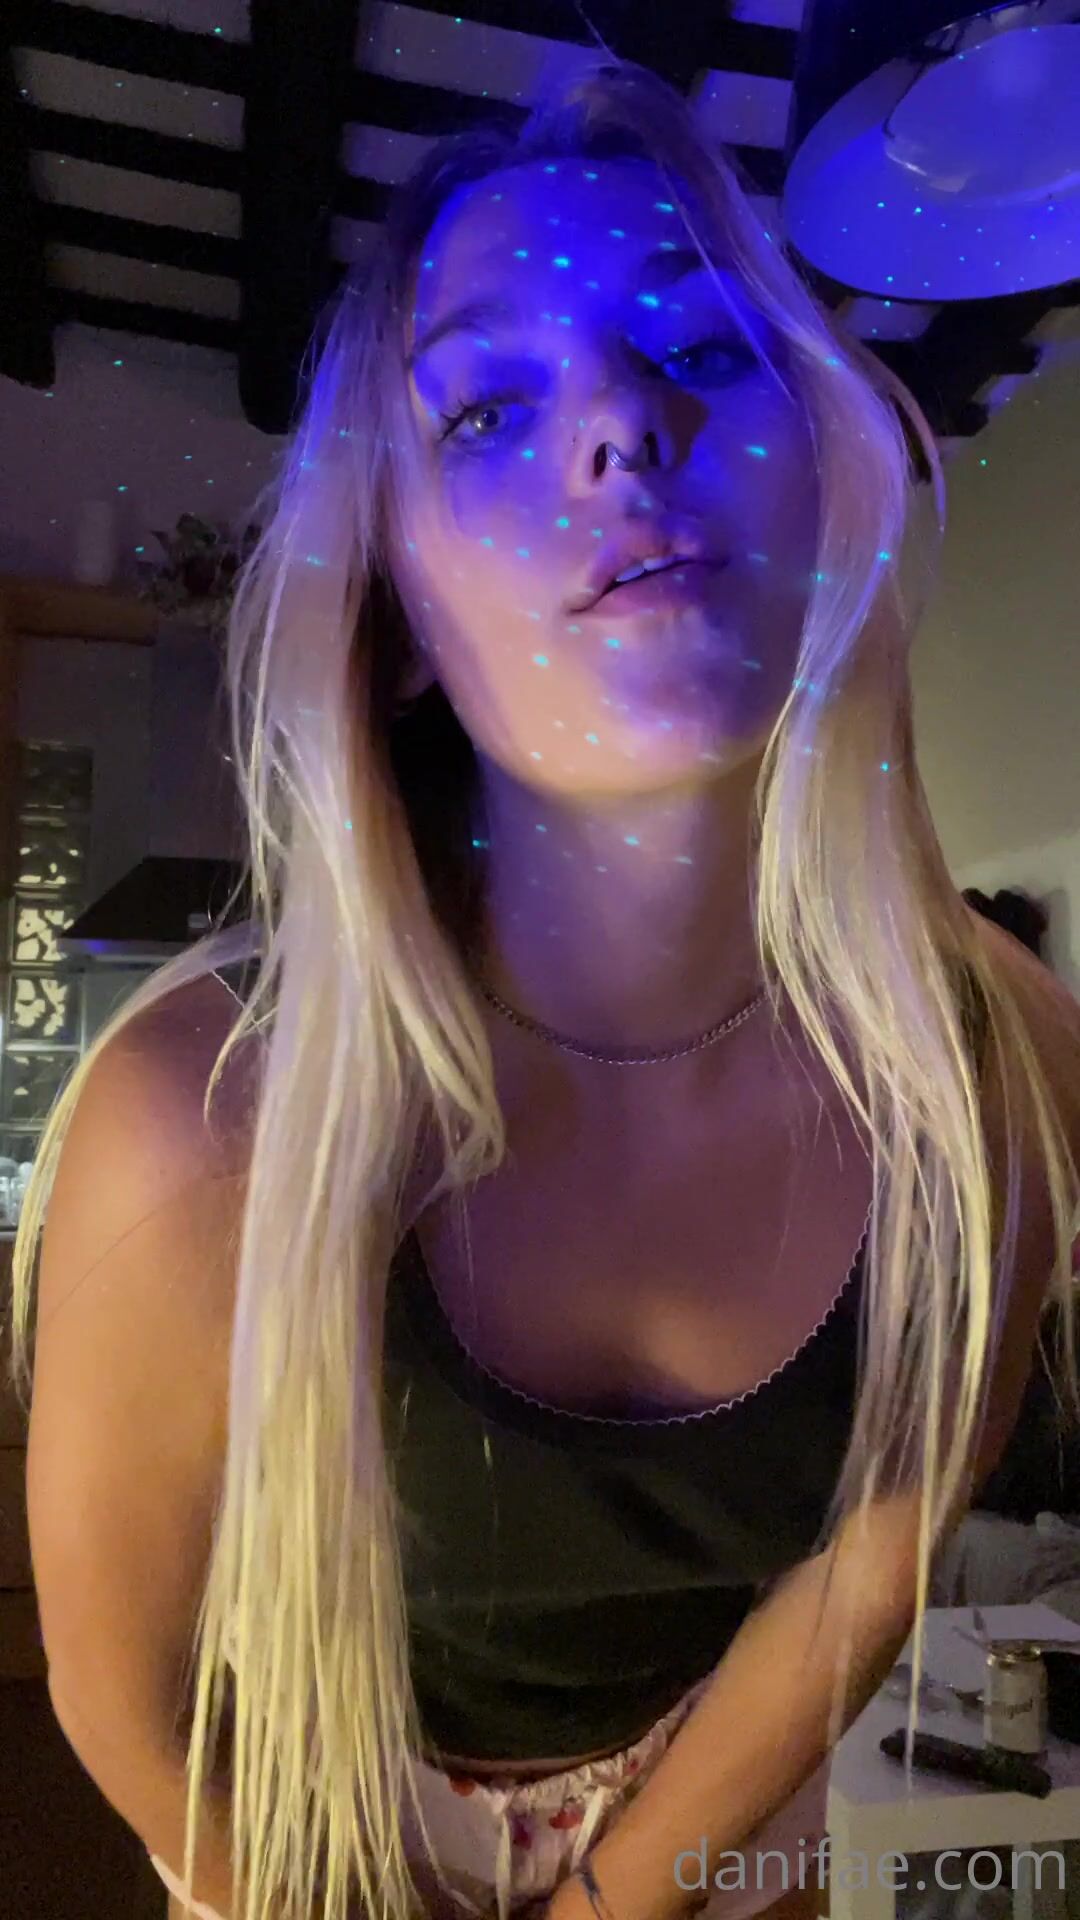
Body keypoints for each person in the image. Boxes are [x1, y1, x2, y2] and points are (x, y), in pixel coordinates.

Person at [9, 58, 1080, 1920]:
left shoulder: (998, 1064)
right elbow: (127, 1699)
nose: (624, 427)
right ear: (400, 620)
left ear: (830, 497)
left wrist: (620, 1897)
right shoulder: (204, 1116)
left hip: (722, 1822)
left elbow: (879, 1548)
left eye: (706, 349)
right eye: (492, 405)